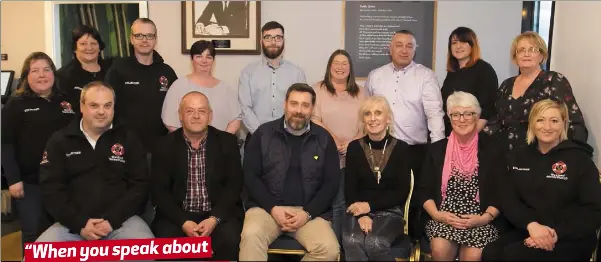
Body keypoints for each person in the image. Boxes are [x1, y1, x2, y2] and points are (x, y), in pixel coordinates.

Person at [482, 99, 601, 261]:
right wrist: (531, 226)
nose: (547, 127)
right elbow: (509, 200)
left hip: (569, 237)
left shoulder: (580, 160)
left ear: (563, 124)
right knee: (491, 252)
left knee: (515, 256)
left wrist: (555, 234)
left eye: (554, 121)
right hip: (529, 228)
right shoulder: (519, 157)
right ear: (532, 123)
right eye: (540, 120)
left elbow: (593, 210)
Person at [36, 81, 154, 242]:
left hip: (121, 222)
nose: (101, 112)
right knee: (37, 256)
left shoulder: (129, 139)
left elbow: (139, 185)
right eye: (94, 105)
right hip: (71, 225)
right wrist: (79, 223)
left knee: (145, 252)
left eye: (107, 106)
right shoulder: (60, 141)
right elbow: (51, 189)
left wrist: (112, 220)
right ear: (82, 106)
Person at [239, 83, 340, 261]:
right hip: (266, 209)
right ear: (285, 104)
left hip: (308, 213)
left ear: (312, 109)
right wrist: (273, 208)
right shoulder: (263, 134)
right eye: (294, 103)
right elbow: (250, 176)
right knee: (251, 235)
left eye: (305, 105)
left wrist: (307, 213)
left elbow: (331, 184)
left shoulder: (324, 139)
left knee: (329, 250)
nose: (299, 110)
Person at [365, 29, 445, 238]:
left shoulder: (425, 76)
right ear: (390, 49)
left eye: (409, 45)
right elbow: (366, 112)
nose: (404, 49)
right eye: (399, 45)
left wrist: (439, 151)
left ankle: (409, 242)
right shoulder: (376, 76)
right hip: (380, 149)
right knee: (381, 197)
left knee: (412, 200)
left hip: (413, 151)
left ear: (415, 50)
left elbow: (435, 114)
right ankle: (379, 237)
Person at [152, 92, 242, 261]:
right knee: (165, 245)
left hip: (216, 214)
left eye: (201, 111)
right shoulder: (164, 145)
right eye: (189, 111)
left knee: (229, 240)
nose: (196, 116)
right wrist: (183, 222)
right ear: (180, 115)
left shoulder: (227, 142)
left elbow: (234, 186)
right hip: (178, 215)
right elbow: (159, 191)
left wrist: (214, 219)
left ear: (210, 115)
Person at [1, 52, 75, 252]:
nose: (42, 75)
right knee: (33, 232)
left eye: (46, 69)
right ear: (26, 76)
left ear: (53, 73)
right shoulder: (16, 104)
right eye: (35, 71)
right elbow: (5, 144)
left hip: (63, 180)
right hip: (30, 182)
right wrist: (13, 180)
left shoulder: (66, 101)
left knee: (63, 230)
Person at [420, 91, 506, 261]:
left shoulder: (493, 149)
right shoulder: (436, 150)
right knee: (439, 249)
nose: (462, 119)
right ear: (449, 118)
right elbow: (423, 190)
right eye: (456, 114)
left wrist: (483, 218)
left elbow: (502, 192)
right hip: (444, 216)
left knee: (473, 256)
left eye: (468, 114)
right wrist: (437, 215)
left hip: (480, 217)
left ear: (477, 116)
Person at [484, 31, 587, 153]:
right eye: (521, 50)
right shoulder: (506, 85)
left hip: (542, 156)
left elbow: (573, 122)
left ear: (542, 56)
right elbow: (495, 120)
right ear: (515, 57)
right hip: (505, 156)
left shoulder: (554, 80)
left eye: (532, 49)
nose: (526, 54)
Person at [342, 96, 411, 261]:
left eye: (378, 113)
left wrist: (369, 206)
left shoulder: (401, 148)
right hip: (358, 211)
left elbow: (401, 191)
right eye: (367, 114)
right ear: (363, 120)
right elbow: (350, 188)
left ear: (388, 119)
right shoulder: (354, 148)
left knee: (375, 242)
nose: (373, 118)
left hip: (391, 212)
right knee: (352, 240)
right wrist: (361, 215)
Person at [311, 49, 366, 242]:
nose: (340, 67)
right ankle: (328, 246)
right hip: (324, 154)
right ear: (329, 66)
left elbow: (368, 122)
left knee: (343, 203)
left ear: (350, 68)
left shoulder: (361, 92)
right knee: (327, 203)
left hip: (352, 156)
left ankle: (342, 247)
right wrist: (334, 139)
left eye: (345, 63)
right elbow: (314, 119)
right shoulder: (317, 89)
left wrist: (351, 143)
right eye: (336, 63)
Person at [105, 18, 178, 154]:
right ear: (131, 39)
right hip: (124, 147)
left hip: (160, 148)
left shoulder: (167, 72)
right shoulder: (118, 69)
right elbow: (106, 105)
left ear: (155, 39)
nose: (144, 40)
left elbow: (176, 109)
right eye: (139, 35)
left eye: (149, 36)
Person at [238, 21, 306, 139]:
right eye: (268, 37)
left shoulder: (297, 73)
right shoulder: (248, 72)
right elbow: (245, 107)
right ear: (261, 41)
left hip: (290, 137)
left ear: (283, 41)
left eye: (278, 38)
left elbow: (301, 107)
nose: (273, 42)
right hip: (257, 136)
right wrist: (261, 134)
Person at [162, 40, 241, 134]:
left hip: (220, 145)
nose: (204, 61)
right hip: (185, 146)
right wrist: (190, 141)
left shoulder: (226, 89)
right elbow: (169, 120)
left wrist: (222, 141)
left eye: (209, 57)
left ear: (213, 60)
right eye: (199, 56)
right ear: (192, 59)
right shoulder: (178, 86)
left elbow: (235, 119)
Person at [440, 27, 498, 136]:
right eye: (454, 43)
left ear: (472, 45)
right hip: (452, 135)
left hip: (473, 137)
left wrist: (468, 137)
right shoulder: (452, 73)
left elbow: (487, 110)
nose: (458, 46)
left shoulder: (484, 69)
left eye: (463, 42)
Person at [57, 24, 112, 115]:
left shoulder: (112, 70)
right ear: (75, 48)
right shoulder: (64, 75)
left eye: (93, 43)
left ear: (99, 47)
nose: (89, 48)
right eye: (83, 44)